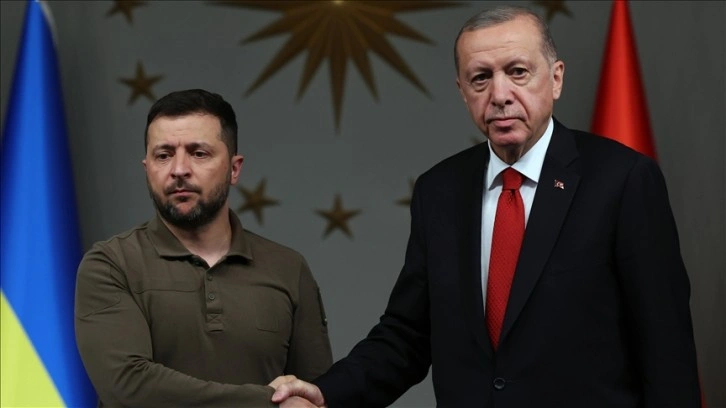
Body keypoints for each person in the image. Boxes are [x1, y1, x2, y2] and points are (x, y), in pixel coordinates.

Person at [270, 5, 701, 408]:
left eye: (517, 72)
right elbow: (407, 336)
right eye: (480, 78)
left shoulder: (622, 179)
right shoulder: (438, 190)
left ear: (555, 79)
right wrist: (325, 393)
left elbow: (666, 346)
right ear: (462, 91)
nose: (499, 94)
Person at [74, 89, 332, 407]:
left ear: (234, 169)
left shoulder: (288, 268)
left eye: (199, 153)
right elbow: (129, 386)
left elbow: (314, 394)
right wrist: (266, 403)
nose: (179, 169)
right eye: (163, 155)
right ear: (146, 168)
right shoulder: (110, 265)